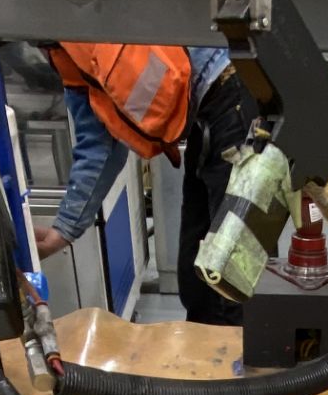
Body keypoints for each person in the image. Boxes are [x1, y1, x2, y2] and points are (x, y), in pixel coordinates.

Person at [36, 42, 259, 325]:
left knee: (231, 277)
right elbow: (99, 143)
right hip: (207, 113)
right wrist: (65, 228)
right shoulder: (63, 47)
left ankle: (242, 362)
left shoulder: (81, 10)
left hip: (234, 90)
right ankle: (208, 359)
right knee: (197, 277)